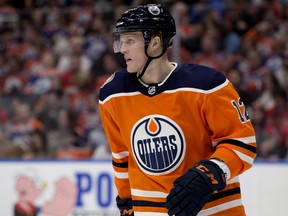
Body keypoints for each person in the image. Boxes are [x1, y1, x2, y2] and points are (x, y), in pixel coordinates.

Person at [98, 4, 257, 216]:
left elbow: (242, 143)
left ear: (154, 43)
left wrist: (210, 173)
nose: (123, 48)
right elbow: (121, 156)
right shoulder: (112, 94)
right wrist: (126, 203)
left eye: (130, 40)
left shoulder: (207, 85)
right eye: (121, 41)